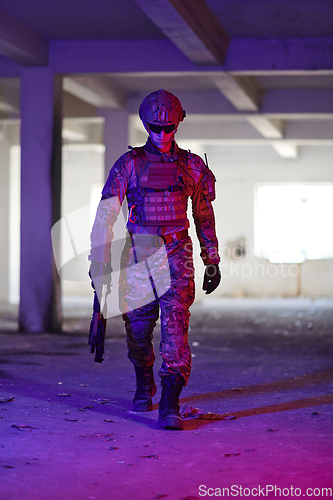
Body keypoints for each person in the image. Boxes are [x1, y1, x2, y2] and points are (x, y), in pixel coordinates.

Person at [89, 89, 221, 430]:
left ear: (178, 123)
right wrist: (99, 262)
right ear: (145, 124)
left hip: (177, 252)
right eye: (155, 127)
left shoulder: (191, 166)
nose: (162, 134)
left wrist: (213, 257)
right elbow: (106, 215)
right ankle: (144, 381)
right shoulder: (129, 165)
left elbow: (204, 214)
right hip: (138, 254)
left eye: (169, 127)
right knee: (138, 329)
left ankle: (170, 401)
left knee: (175, 325)